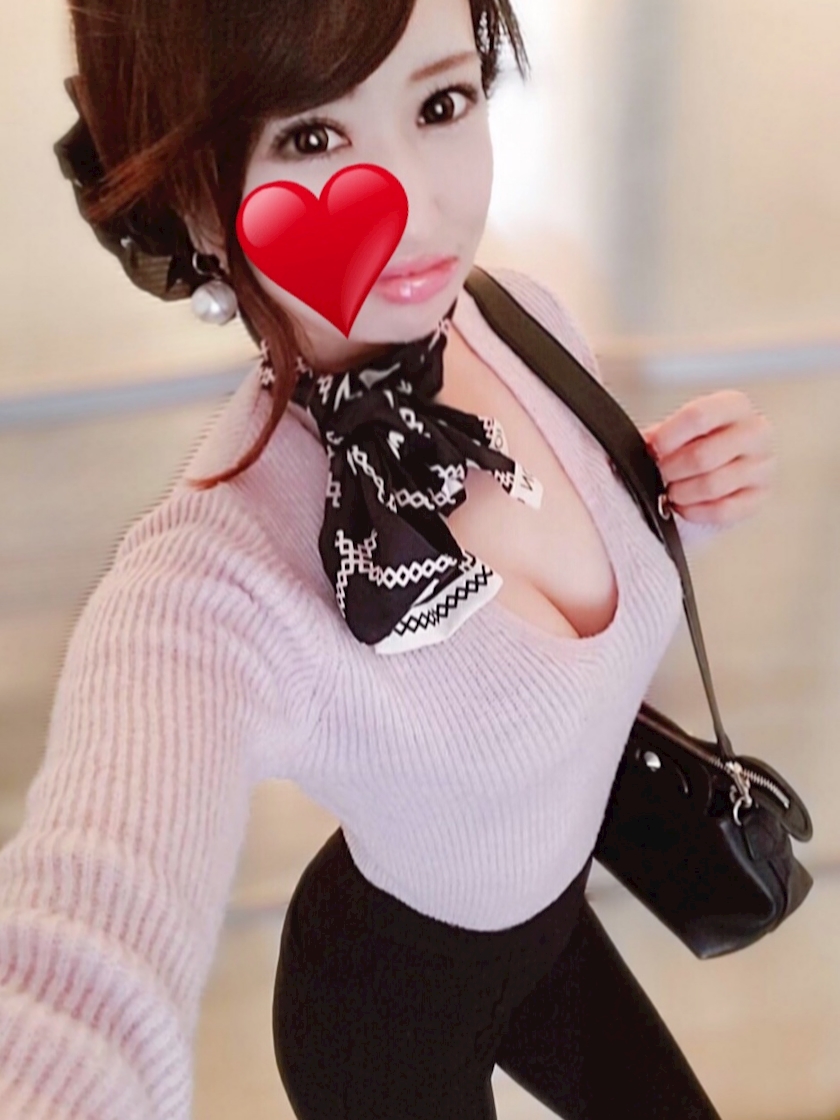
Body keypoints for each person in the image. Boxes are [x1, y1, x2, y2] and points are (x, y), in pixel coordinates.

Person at [0, 0, 777, 1116]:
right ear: (191, 196)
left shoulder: (525, 321)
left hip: (558, 933)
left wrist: (679, 498)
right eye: (312, 135)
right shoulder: (211, 577)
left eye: (442, 101)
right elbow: (79, 965)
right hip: (377, 1014)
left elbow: (568, 609)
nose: (409, 198)